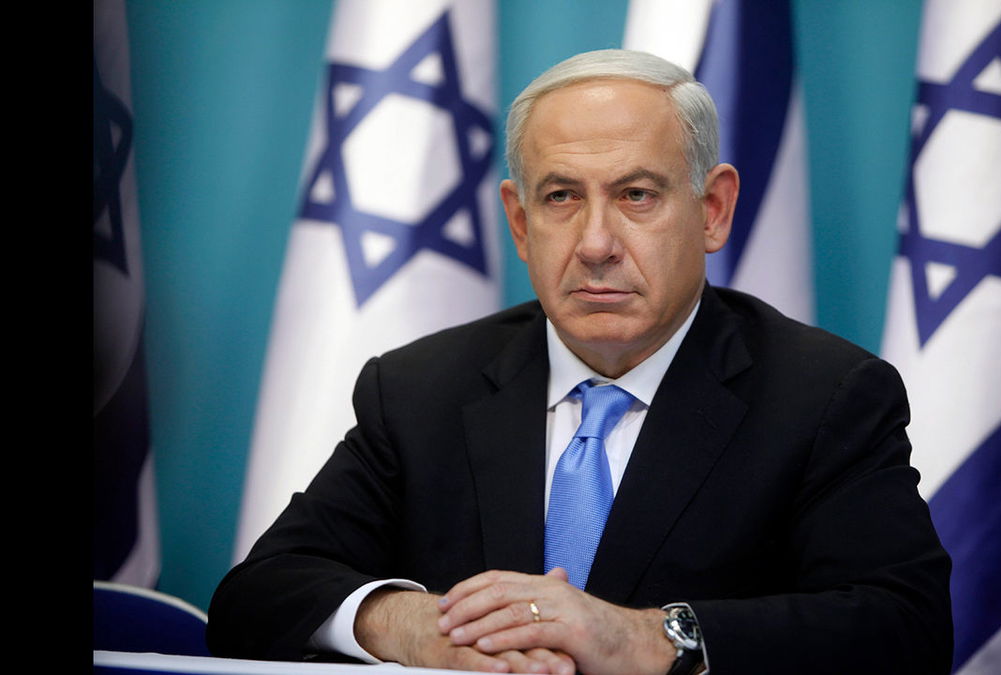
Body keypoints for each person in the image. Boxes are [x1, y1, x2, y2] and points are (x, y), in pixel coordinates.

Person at [207, 49, 952, 674]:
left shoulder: (823, 395)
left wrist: (649, 636)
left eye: (636, 194)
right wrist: (415, 628)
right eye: (561, 196)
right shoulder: (418, 389)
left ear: (713, 210)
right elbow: (258, 595)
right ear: (521, 222)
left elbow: (906, 628)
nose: (596, 242)